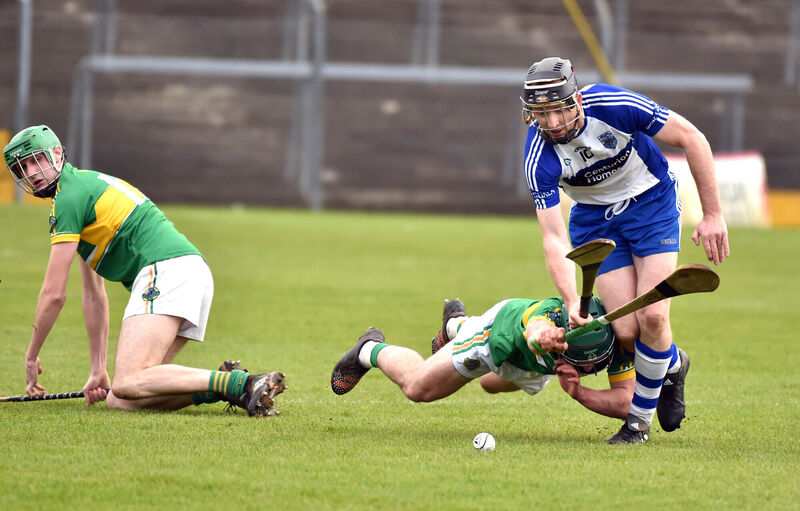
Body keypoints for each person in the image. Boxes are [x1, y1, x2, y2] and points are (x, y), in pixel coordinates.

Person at [4, 125, 286, 416]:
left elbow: (53, 295)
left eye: (35, 160)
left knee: (128, 380)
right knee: (122, 397)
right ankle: (224, 386)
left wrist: (31, 355)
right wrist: (98, 369)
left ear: (58, 154)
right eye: (21, 166)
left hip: (167, 271)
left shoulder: (69, 197)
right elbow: (93, 296)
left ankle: (246, 382)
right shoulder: (80, 189)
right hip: (189, 273)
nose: (30, 171)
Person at [520, 57, 727, 443]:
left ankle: (637, 425)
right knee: (628, 331)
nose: (549, 123)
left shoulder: (614, 105)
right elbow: (552, 236)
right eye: (540, 115)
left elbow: (692, 138)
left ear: (575, 100)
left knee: (652, 315)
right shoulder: (539, 157)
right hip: (596, 223)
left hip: (652, 205)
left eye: (555, 111)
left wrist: (713, 214)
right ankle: (673, 363)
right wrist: (570, 300)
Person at [331, 297, 641, 425]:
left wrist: (580, 392)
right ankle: (368, 348)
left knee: (489, 385)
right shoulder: (553, 311)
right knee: (417, 388)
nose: (586, 371)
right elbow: (535, 329)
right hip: (498, 339)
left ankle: (455, 326)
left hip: (537, 366)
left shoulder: (619, 338)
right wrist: (541, 337)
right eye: (579, 365)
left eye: (593, 367)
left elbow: (629, 403)